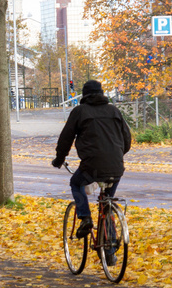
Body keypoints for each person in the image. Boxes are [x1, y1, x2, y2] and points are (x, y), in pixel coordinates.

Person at [51, 80, 132, 243]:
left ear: (85, 94)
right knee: (107, 203)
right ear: (102, 93)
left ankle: (85, 218)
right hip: (116, 166)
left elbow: (66, 138)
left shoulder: (80, 111)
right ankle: (109, 249)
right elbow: (127, 139)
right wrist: (116, 155)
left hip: (92, 166)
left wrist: (59, 159)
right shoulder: (114, 110)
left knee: (76, 183)